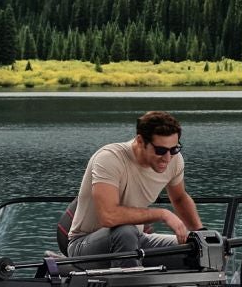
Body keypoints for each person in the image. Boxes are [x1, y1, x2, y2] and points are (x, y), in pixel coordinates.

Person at [60, 110, 203, 261]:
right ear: (141, 141)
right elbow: (108, 216)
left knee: (198, 248)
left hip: (137, 240)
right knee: (125, 232)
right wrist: (162, 214)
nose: (167, 158)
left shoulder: (174, 160)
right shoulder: (110, 159)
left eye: (174, 149)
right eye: (160, 150)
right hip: (84, 245)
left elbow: (180, 198)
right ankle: (131, 282)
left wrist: (201, 233)